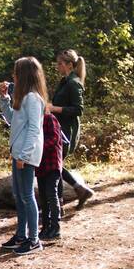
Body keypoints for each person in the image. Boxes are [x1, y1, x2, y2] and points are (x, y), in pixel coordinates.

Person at [0, 56, 47, 255]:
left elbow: (34, 130)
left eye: (16, 72)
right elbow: (11, 120)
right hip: (18, 153)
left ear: (24, 75)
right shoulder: (23, 97)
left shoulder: (33, 99)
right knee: (19, 196)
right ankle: (21, 235)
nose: (12, 76)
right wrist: (4, 99)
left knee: (27, 196)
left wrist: (24, 156)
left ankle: (34, 239)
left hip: (26, 155)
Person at [48, 49, 94, 210]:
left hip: (68, 132)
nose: (57, 66)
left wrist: (54, 109)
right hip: (59, 129)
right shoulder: (65, 81)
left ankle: (60, 203)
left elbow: (78, 109)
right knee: (56, 165)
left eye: (60, 63)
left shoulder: (74, 83)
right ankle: (78, 191)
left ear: (69, 65)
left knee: (55, 166)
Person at [36, 112, 63, 240]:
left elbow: (54, 138)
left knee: (52, 194)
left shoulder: (50, 118)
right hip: (40, 164)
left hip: (52, 163)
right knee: (42, 195)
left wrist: (37, 147)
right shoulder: (33, 120)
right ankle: (45, 226)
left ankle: (55, 227)